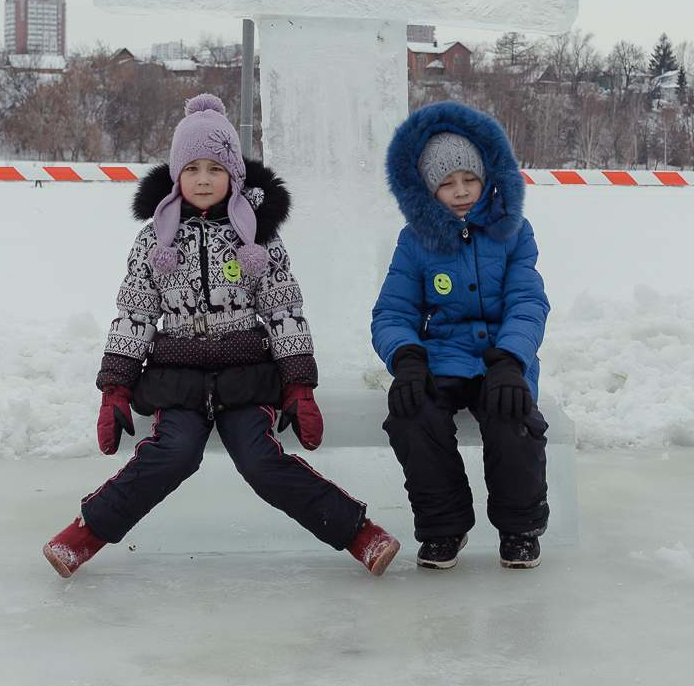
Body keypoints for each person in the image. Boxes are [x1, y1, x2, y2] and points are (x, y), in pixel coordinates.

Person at [43, 95, 400, 578]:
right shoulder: (155, 240)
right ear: (176, 175)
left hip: (246, 379)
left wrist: (299, 386)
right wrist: (115, 389)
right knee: (174, 453)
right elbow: (135, 315)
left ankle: (360, 534)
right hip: (178, 380)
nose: (204, 178)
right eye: (192, 168)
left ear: (233, 172)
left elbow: (284, 310)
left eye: (215, 167)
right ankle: (82, 537)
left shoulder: (257, 235)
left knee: (259, 459)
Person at [371, 101, 551, 570]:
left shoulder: (514, 233)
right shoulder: (415, 240)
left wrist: (512, 360)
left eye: (469, 180)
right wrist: (407, 358)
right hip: (442, 357)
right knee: (412, 416)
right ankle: (444, 527)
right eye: (447, 184)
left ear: (488, 176)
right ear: (429, 191)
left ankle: (519, 527)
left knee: (512, 418)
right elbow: (393, 310)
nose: (461, 192)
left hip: (501, 359)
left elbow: (527, 302)